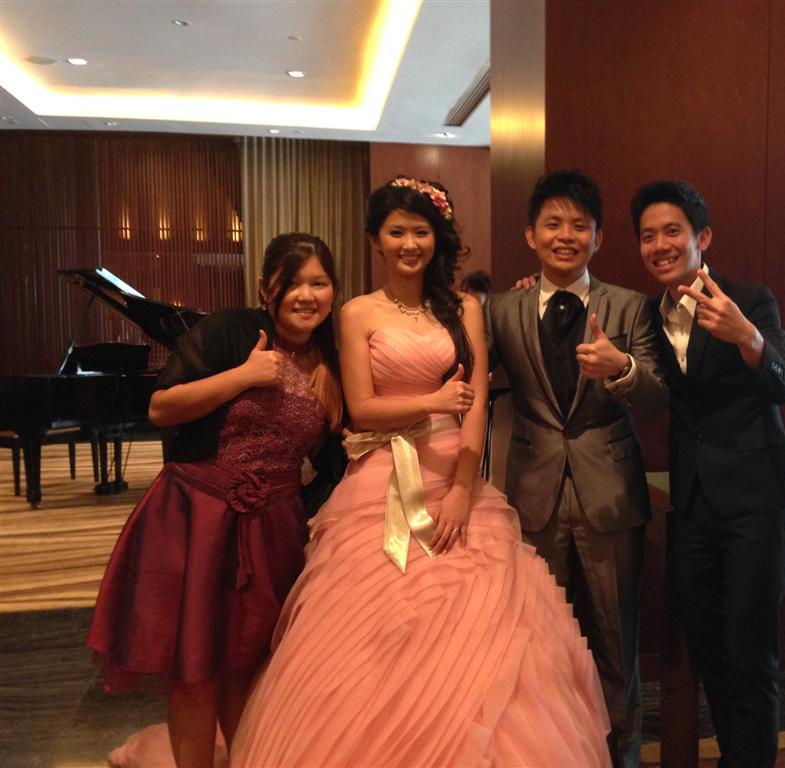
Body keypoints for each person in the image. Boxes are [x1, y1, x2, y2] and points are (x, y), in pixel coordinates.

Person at [229, 177, 611, 767]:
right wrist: (433, 403)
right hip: (380, 482)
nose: (410, 243)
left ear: (438, 238)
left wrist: (463, 487)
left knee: (482, 635)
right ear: (375, 240)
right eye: (397, 232)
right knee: (375, 634)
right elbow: (362, 408)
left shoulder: (465, 309)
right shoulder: (357, 312)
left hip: (454, 476)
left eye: (421, 231)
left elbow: (476, 403)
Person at [87, 232, 342, 768]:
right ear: (266, 288)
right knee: (196, 666)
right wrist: (244, 376)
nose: (306, 295)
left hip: (275, 527)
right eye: (292, 283)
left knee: (248, 666)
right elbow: (161, 408)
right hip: (197, 516)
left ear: (333, 291)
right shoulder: (231, 331)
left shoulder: (332, 357)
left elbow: (334, 457)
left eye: (319, 283)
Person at [486, 169, 665, 768]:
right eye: (553, 224)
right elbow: (471, 374)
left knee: (617, 638)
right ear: (530, 235)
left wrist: (621, 370)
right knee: (541, 639)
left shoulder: (631, 306)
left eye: (579, 225)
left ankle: (622, 756)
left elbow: (657, 400)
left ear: (599, 238)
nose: (566, 235)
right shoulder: (502, 309)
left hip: (609, 495)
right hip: (532, 495)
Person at [630, 180, 785, 768]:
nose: (659, 245)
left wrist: (747, 337)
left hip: (756, 502)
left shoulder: (749, 299)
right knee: (711, 653)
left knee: (751, 656)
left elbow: (784, 384)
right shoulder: (647, 315)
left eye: (672, 231)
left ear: (701, 237)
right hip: (692, 507)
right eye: (647, 236)